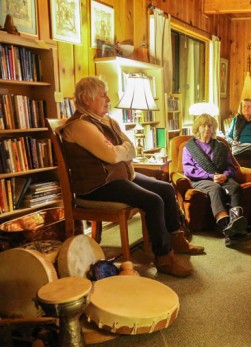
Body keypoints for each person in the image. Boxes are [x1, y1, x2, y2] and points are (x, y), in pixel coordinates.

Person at [58, 76, 203, 278]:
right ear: (86, 99)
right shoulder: (80, 126)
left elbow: (130, 148)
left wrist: (119, 150)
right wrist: (118, 150)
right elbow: (112, 155)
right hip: (98, 187)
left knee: (166, 189)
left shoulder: (106, 120)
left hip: (119, 177)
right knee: (153, 201)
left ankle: (176, 240)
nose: (108, 99)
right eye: (103, 95)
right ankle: (164, 258)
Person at [182, 114, 251, 247]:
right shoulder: (189, 147)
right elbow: (188, 171)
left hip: (221, 177)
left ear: (214, 128)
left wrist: (225, 175)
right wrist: (211, 176)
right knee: (215, 188)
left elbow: (232, 167)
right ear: (197, 128)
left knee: (235, 187)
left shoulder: (221, 146)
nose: (207, 128)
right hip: (200, 179)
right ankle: (226, 229)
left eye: (210, 125)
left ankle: (235, 224)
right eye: (203, 125)